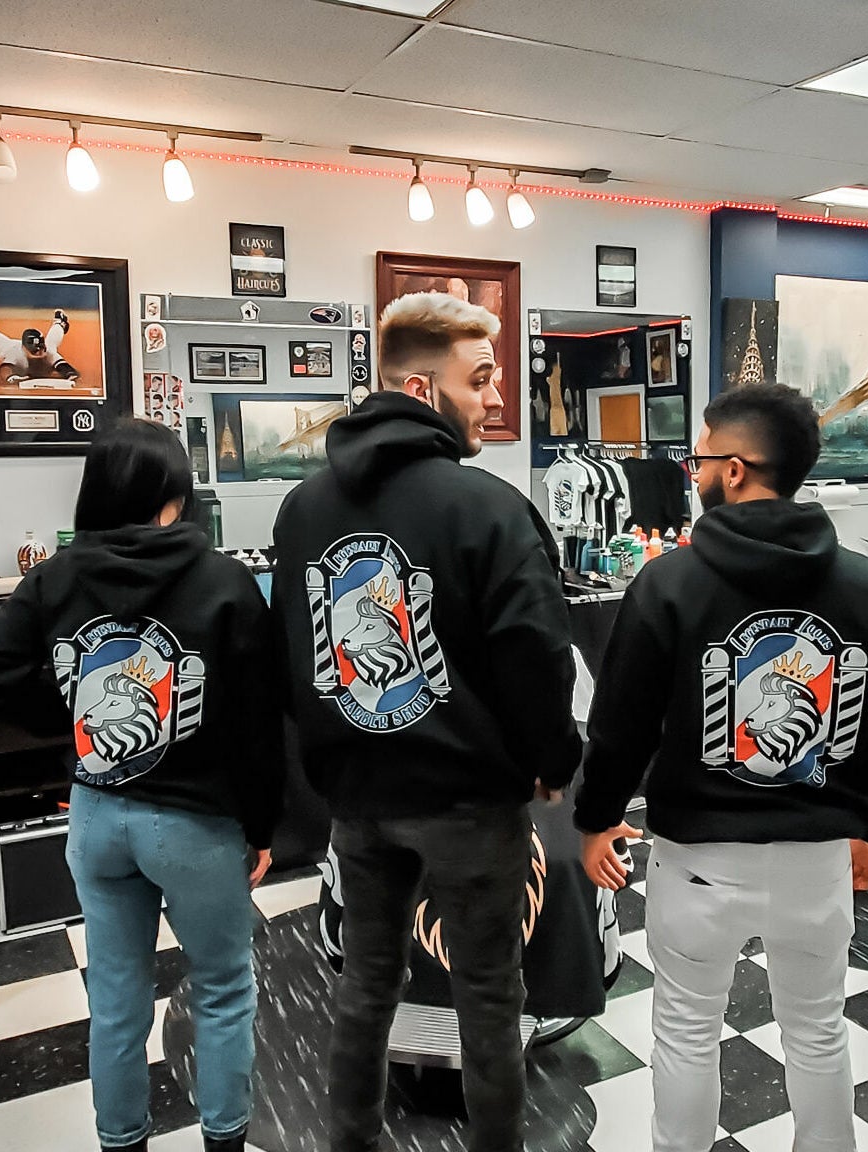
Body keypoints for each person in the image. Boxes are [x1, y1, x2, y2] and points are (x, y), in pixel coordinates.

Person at [270, 292, 581, 1152]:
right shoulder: (484, 505)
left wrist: (329, 764)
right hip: (469, 801)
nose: (494, 400)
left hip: (357, 795)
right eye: (479, 380)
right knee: (488, 995)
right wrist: (554, 760)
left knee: (366, 983)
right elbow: (536, 654)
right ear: (419, 385)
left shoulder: (302, 511)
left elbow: (297, 655)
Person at [575, 383, 868, 1152]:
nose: (690, 472)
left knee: (687, 1032)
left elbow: (619, 723)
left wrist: (596, 819)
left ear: (732, 470)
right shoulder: (862, 584)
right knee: (818, 1031)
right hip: (816, 855)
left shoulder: (669, 582)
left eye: (698, 457)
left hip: (698, 860)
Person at [0, 418, 282, 1152]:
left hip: (99, 815)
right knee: (225, 991)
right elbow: (260, 724)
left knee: (115, 1001)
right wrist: (262, 828)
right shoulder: (223, 579)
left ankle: (121, 1142)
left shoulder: (56, 576)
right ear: (174, 491)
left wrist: (73, 719)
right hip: (197, 821)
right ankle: (224, 1142)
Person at [0, 281, 78, 383]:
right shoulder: (15, 353)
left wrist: (70, 375)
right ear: (25, 349)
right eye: (35, 350)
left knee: (52, 343)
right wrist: (11, 377)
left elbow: (67, 370)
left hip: (46, 349)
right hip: (9, 346)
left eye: (41, 349)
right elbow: (5, 369)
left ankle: (60, 322)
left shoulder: (49, 352)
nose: (39, 353)